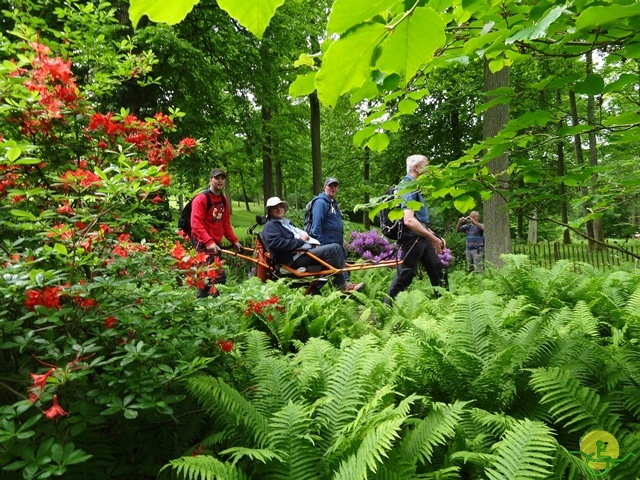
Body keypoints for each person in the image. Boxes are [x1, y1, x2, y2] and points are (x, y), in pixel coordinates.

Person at [261, 196, 364, 294]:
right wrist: (301, 241)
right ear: (269, 211)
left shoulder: (286, 223)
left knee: (335, 247)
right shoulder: (270, 226)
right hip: (292, 259)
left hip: (303, 253)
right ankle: (342, 285)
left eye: (280, 206)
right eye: (275, 208)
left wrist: (312, 244)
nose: (279, 209)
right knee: (334, 249)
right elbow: (277, 244)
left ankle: (342, 283)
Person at [386, 155, 445, 304]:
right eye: (427, 165)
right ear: (417, 168)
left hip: (421, 237)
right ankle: (385, 310)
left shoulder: (415, 187)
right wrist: (432, 238)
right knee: (406, 274)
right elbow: (409, 220)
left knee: (437, 269)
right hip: (413, 238)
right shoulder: (407, 187)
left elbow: (419, 220)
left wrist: (435, 236)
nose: (429, 169)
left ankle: (446, 306)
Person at [190, 168, 243, 297]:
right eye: (217, 178)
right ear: (210, 180)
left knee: (212, 277)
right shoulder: (201, 199)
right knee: (214, 277)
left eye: (222, 178)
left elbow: (225, 223)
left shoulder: (223, 200)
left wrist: (234, 240)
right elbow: (195, 223)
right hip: (202, 244)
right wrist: (208, 241)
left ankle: (208, 308)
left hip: (215, 244)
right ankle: (205, 306)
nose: (220, 181)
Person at [309, 177, 349, 284]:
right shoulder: (321, 203)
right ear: (324, 187)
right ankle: (343, 287)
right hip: (327, 244)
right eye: (330, 186)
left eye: (335, 186)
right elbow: (316, 226)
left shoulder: (333, 204)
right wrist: (320, 245)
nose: (333, 188)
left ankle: (339, 292)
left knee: (340, 271)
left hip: (336, 244)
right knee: (331, 272)